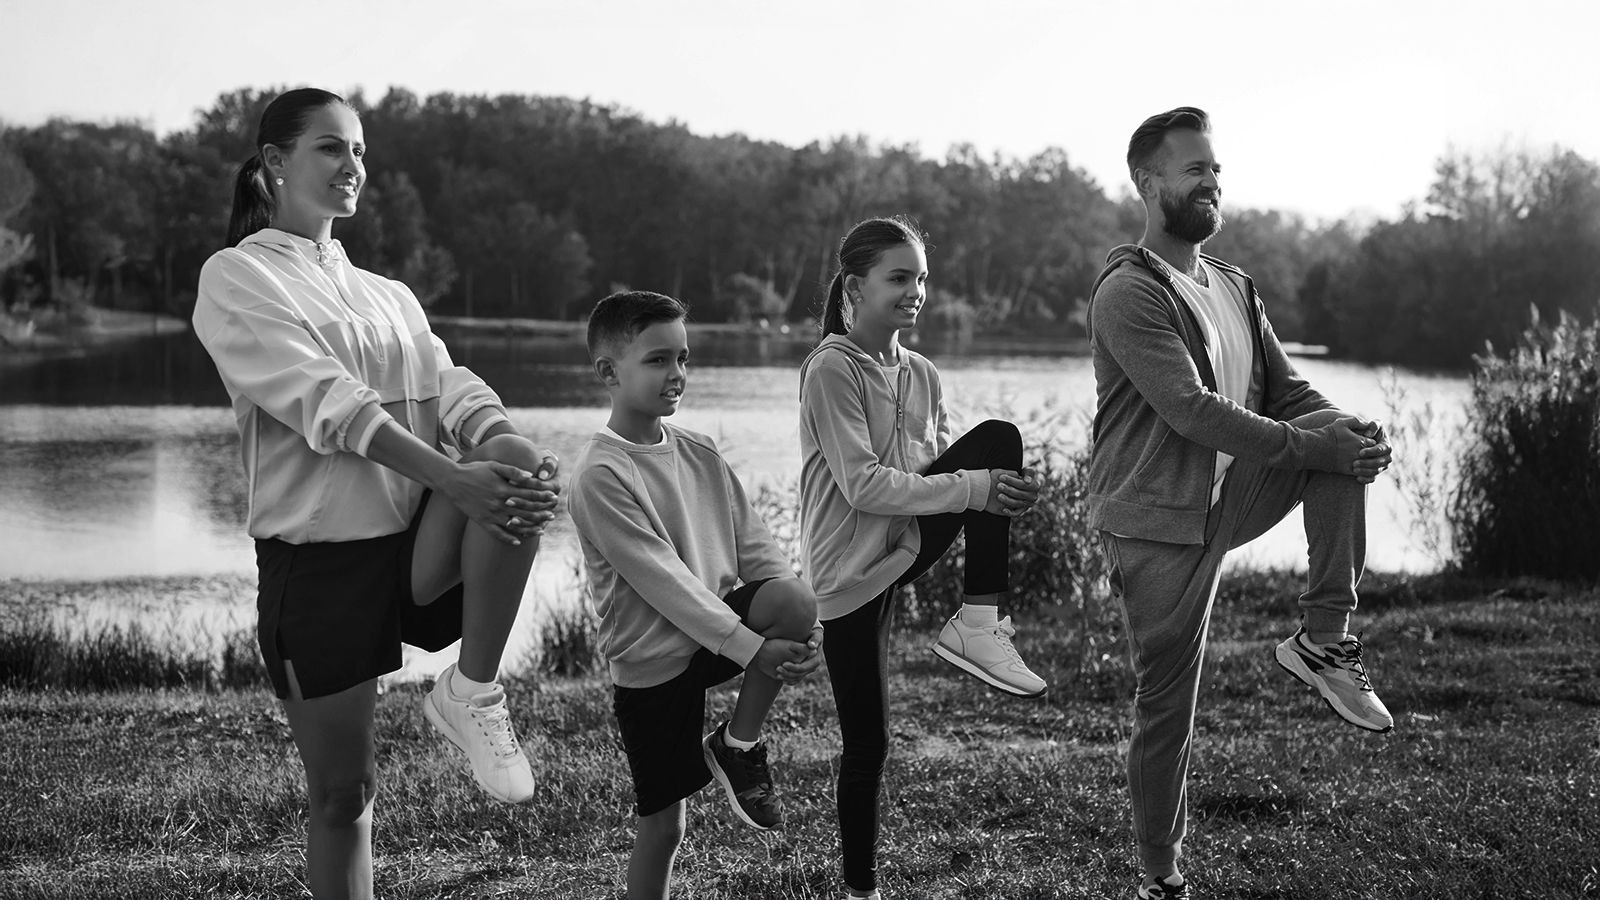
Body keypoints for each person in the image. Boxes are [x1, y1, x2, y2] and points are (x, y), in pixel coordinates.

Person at [193, 88, 558, 900]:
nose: (351, 165)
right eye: (330, 148)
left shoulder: (389, 294)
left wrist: (499, 448)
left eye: (359, 151)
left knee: (519, 462)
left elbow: (448, 384)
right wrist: (452, 475)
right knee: (343, 793)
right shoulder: (237, 276)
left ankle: (472, 690)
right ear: (276, 163)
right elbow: (330, 402)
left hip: (410, 548)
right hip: (317, 565)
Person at [1087, 106, 1395, 899]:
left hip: (1235, 490)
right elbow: (1189, 408)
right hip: (1157, 519)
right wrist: (1316, 445)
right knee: (1167, 704)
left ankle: (1323, 639)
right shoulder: (1128, 292)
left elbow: (1289, 393)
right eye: (1195, 170)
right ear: (1148, 183)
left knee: (1335, 435)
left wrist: (1348, 434)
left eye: (1216, 169)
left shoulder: (1233, 284)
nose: (1212, 182)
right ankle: (1161, 874)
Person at [798, 215, 1047, 900]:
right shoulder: (830, 368)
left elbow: (931, 475)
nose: (916, 291)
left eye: (922, 279)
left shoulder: (923, 374)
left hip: (900, 547)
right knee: (868, 745)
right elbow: (864, 485)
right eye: (899, 277)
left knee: (997, 443)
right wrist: (975, 489)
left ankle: (980, 618)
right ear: (856, 286)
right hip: (848, 572)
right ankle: (861, 892)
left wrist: (985, 495)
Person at [567, 290, 824, 900]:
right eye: (658, 360)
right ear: (608, 372)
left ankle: (738, 745)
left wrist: (796, 627)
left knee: (793, 599)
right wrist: (752, 651)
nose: (677, 374)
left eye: (683, 358)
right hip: (653, 656)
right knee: (664, 826)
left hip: (712, 635)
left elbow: (756, 548)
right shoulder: (601, 473)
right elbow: (666, 584)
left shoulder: (700, 451)